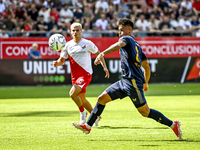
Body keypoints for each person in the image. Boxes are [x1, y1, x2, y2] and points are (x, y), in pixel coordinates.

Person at [72, 18, 182, 140]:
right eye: (118, 31)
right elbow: (147, 68)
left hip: (133, 82)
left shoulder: (127, 39)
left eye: (122, 30)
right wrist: (146, 82)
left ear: (129, 30)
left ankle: (173, 124)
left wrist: (101, 53)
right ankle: (88, 126)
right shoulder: (138, 46)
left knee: (145, 112)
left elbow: (119, 45)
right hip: (124, 81)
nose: (120, 33)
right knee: (101, 98)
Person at [53, 22, 109, 126]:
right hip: (75, 76)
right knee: (82, 100)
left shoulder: (88, 43)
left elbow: (99, 54)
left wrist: (104, 67)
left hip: (86, 74)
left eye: (77, 30)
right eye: (73, 30)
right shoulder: (67, 45)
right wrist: (57, 63)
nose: (75, 32)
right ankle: (95, 116)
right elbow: (61, 60)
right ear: (70, 32)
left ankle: (83, 113)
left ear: (81, 31)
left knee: (72, 94)